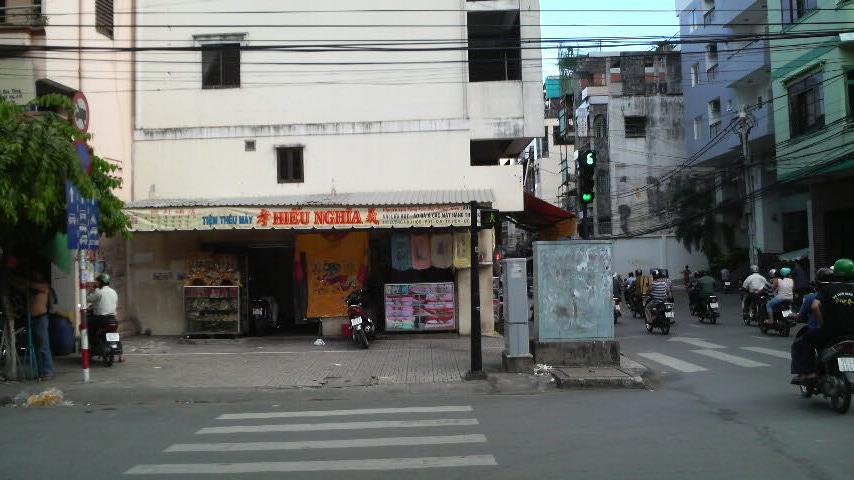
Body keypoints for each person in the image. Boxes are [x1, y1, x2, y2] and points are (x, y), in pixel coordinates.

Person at [791, 259, 854, 384]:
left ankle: (810, 373)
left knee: (802, 342)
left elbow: (815, 307)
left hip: (831, 332)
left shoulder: (828, 289)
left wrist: (821, 323)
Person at [11, 270, 54, 380]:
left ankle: (48, 371)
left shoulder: (44, 286)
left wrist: (25, 281)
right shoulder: (30, 289)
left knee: (44, 346)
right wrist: (12, 279)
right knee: (36, 347)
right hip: (32, 319)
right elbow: (19, 286)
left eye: (37, 275)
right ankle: (40, 372)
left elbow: (32, 285)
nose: (35, 276)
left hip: (41, 318)